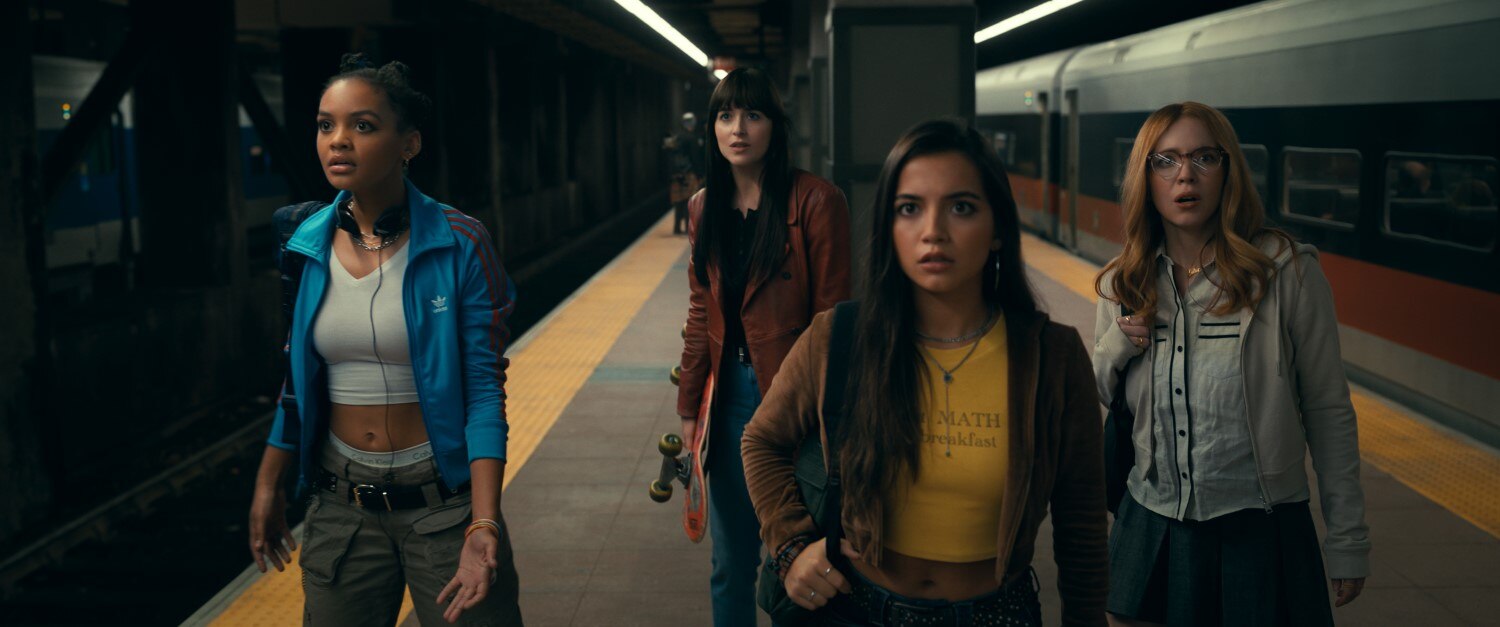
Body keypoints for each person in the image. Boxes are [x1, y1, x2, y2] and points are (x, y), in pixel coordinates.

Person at [741, 119, 1108, 626]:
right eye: (909, 208)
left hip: (998, 614)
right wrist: (790, 547)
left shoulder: (1053, 359)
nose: (933, 231)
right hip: (859, 608)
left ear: (998, 228)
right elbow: (762, 441)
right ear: (890, 230)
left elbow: (1083, 525)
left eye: (961, 207)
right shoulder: (839, 338)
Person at [246, 53, 523, 627]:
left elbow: (482, 390)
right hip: (340, 507)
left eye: (362, 126)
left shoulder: (460, 242)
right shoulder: (302, 246)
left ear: (409, 144)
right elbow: (295, 384)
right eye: (326, 125)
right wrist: (269, 485)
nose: (338, 141)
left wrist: (483, 521)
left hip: (443, 507)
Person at [1092, 102, 1370, 627]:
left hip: (1261, 525)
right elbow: (1100, 395)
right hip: (1150, 518)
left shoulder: (1286, 271)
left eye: (1204, 158)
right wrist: (1113, 349)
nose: (1185, 175)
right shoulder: (1121, 281)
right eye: (1165, 161)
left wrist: (1348, 539)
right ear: (1144, 177)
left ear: (1229, 170)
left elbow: (1329, 409)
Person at [677, 66, 851, 627]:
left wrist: (830, 416)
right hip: (726, 399)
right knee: (730, 558)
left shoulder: (818, 203)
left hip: (793, 400)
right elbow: (701, 312)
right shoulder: (703, 207)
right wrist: (688, 409)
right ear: (712, 130)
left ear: (776, 127)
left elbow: (832, 321)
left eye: (753, 114)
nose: (738, 128)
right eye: (725, 116)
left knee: (795, 554)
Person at [667, 111, 706, 234]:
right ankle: (687, 228)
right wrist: (700, 174)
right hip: (689, 173)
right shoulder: (691, 138)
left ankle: (677, 227)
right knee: (689, 199)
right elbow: (695, 158)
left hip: (676, 174)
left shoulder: (676, 137)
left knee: (678, 199)